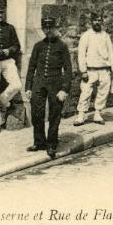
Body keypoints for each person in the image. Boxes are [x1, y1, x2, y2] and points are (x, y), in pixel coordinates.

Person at [25, 16, 72, 159]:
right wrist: (28, 87)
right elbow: (31, 67)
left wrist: (64, 89)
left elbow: (68, 69)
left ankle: (51, 143)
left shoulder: (62, 46)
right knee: (37, 113)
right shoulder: (38, 46)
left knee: (54, 114)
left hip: (55, 84)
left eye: (50, 28)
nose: (48, 31)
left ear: (55, 28)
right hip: (39, 83)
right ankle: (39, 142)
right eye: (45, 28)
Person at [75, 12, 113, 126]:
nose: (97, 22)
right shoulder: (86, 36)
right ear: (91, 22)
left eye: (99, 20)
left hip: (104, 69)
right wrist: (83, 71)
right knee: (86, 91)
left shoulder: (105, 36)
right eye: (95, 20)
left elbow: (111, 53)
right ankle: (81, 115)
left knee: (103, 91)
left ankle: (97, 113)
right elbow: (81, 54)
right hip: (90, 69)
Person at [0, 2, 21, 133]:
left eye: (1, 12)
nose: (0, 15)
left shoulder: (10, 28)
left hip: (8, 61)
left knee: (17, 85)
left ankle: (3, 101)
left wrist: (9, 50)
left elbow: (17, 45)